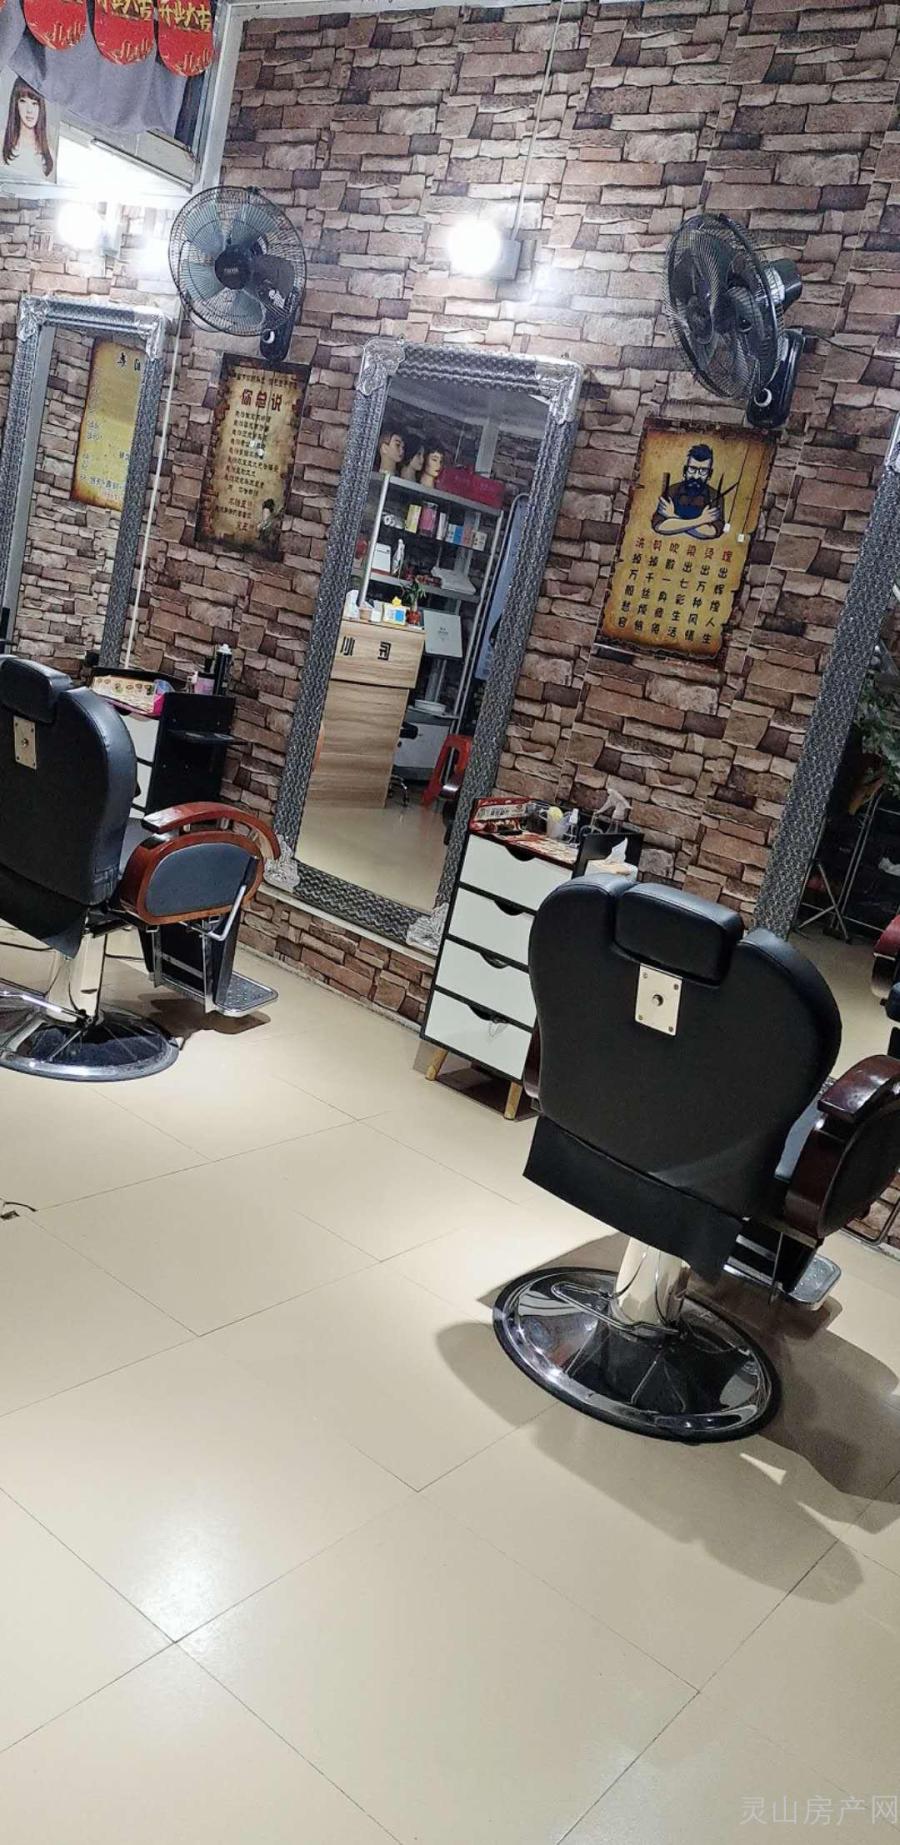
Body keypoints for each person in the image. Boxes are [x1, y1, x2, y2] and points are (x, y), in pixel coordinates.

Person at [651, 441, 724, 541]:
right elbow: (659, 526)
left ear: (709, 475)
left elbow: (711, 532)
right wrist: (702, 520)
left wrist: (672, 516)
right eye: (692, 469)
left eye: (703, 471)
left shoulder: (715, 496)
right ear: (685, 471)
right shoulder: (672, 490)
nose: (696, 476)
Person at [2, 79, 54, 182]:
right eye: (23, 101)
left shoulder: (49, 154)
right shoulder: (2, 142)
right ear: (15, 104)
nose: (29, 110)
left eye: (34, 103)